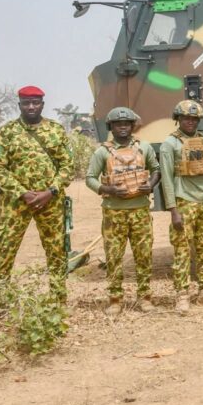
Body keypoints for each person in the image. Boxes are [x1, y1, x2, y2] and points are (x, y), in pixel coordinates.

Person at [0, 85, 74, 302]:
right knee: (4, 247)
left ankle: (58, 301)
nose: (31, 106)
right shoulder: (7, 132)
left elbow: (67, 166)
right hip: (15, 202)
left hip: (51, 201)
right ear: (20, 105)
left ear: (42, 104)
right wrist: (23, 193)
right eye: (26, 103)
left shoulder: (55, 130)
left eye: (35, 102)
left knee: (56, 250)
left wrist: (51, 191)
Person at [85, 107, 160, 315]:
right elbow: (90, 178)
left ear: (132, 126)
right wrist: (108, 189)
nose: (123, 127)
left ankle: (145, 297)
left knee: (143, 255)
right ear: (111, 127)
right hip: (113, 213)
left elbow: (156, 170)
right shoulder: (102, 152)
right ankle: (115, 299)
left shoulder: (144, 148)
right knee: (114, 256)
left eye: (127, 123)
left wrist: (150, 184)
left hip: (140, 211)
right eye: (118, 124)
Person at [159, 100, 203, 314]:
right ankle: (182, 295)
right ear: (178, 119)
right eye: (186, 118)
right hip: (184, 202)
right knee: (182, 250)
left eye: (194, 119)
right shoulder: (170, 144)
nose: (190, 122)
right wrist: (173, 210)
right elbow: (166, 179)